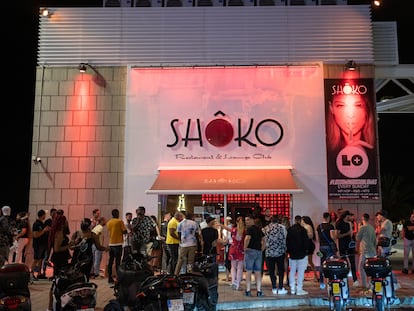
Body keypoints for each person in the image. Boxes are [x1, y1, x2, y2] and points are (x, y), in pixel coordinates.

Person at [326, 85, 377, 179]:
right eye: (340, 105)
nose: (350, 115)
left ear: (367, 108)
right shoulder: (325, 154)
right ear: (331, 108)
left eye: (358, 105)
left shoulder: (375, 156)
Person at [263, 215, 288, 295]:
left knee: (271, 270)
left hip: (269, 252)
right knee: (281, 270)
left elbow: (263, 240)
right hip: (280, 252)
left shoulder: (265, 228)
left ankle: (274, 287)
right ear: (278, 220)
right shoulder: (282, 228)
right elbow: (285, 238)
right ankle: (280, 287)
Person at [375, 209, 400, 290]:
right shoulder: (383, 223)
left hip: (385, 246)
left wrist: (378, 224)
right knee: (384, 264)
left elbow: (379, 231)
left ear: (382, 215)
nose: (377, 217)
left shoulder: (387, 222)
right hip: (382, 246)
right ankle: (389, 282)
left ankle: (394, 282)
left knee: (385, 264)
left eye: (378, 215)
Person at [286, 215, 309, 296]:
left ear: (295, 220)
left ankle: (292, 288)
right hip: (301, 254)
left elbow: (287, 242)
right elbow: (306, 243)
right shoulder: (303, 230)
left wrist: (288, 251)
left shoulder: (290, 230)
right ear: (300, 221)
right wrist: (306, 251)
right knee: (300, 272)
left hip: (292, 254)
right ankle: (299, 289)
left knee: (292, 271)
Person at [243, 214, 265, 297]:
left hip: (250, 251)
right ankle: (259, 291)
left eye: (248, 220)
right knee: (258, 272)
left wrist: (245, 248)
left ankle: (248, 290)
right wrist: (262, 248)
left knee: (248, 271)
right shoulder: (259, 229)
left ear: (252, 220)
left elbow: (247, 238)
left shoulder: (249, 229)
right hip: (258, 252)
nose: (246, 222)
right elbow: (264, 239)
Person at [336, 210, 358, 287]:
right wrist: (347, 234)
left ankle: (355, 280)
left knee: (352, 262)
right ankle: (344, 279)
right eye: (349, 216)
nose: (351, 217)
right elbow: (337, 236)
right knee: (345, 263)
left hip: (350, 245)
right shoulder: (339, 223)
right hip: (342, 245)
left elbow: (352, 234)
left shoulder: (350, 223)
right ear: (347, 216)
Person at [355, 213, 377, 290]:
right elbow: (375, 240)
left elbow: (357, 238)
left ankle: (364, 284)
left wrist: (358, 227)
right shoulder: (372, 228)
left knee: (361, 267)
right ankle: (371, 284)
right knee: (371, 268)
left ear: (363, 219)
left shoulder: (362, 228)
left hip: (365, 250)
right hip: (372, 250)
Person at [317, 212, 338, 290]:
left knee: (322, 263)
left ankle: (322, 282)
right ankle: (331, 280)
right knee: (331, 263)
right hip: (329, 247)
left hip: (321, 247)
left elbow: (318, 238)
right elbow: (333, 237)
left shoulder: (319, 227)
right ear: (328, 217)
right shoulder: (330, 226)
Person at [106, 208, 127, 284]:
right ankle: (118, 278)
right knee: (118, 262)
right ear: (117, 214)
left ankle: (109, 278)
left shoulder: (109, 222)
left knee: (110, 261)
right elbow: (124, 231)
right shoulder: (119, 221)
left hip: (111, 244)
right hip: (118, 244)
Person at [226, 215, 246, 291]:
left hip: (233, 249)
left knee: (233, 267)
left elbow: (227, 228)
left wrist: (221, 225)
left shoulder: (234, 230)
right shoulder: (244, 231)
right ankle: (238, 284)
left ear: (236, 222)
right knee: (240, 268)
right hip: (241, 249)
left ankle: (233, 282)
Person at [31, 209, 50, 280]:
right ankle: (31, 274)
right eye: (45, 214)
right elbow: (35, 235)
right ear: (42, 215)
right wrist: (44, 230)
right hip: (38, 245)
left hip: (42, 244)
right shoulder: (36, 224)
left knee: (40, 259)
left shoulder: (42, 224)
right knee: (36, 259)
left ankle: (39, 273)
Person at [301, 215, 318, 282]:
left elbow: (310, 235)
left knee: (309, 261)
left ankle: (316, 276)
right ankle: (315, 276)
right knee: (308, 261)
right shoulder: (306, 227)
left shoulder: (307, 227)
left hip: (308, 245)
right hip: (308, 245)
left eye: (302, 220)